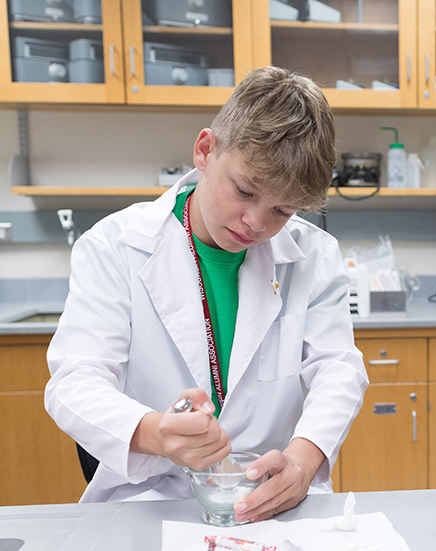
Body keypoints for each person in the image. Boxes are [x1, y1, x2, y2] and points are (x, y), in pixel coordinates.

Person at [45, 67, 369, 523]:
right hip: (152, 499)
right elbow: (74, 384)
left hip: (270, 497)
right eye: (244, 191)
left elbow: (338, 369)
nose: (255, 222)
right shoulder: (114, 247)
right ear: (205, 150)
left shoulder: (314, 256)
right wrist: (155, 433)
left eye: (282, 209)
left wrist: (303, 458)